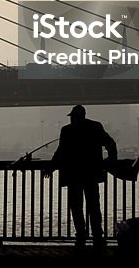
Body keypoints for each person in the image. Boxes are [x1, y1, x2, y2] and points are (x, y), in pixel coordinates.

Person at [43, 105, 117, 249]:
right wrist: (110, 160)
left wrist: (51, 168)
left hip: (73, 175)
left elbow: (60, 152)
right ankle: (97, 235)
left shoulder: (67, 130)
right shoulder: (95, 127)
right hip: (91, 174)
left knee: (76, 206)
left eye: (72, 117)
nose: (71, 119)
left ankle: (81, 235)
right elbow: (111, 143)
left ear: (74, 117)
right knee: (94, 205)